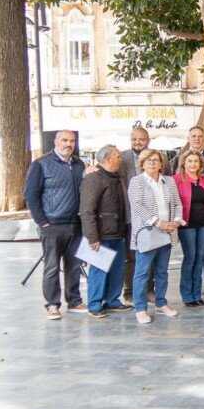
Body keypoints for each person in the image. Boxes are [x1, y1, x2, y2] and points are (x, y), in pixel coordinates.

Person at [24, 130, 87, 320]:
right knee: (51, 266)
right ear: (56, 142)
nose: (69, 144)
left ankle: (74, 301)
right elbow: (30, 195)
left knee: (74, 265)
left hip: (75, 224)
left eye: (72, 141)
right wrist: (42, 221)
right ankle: (52, 304)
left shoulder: (78, 164)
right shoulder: (40, 164)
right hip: (52, 225)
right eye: (65, 140)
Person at [128, 149, 184, 324]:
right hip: (147, 232)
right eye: (148, 160)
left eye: (156, 160)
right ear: (142, 164)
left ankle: (161, 302)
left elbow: (177, 203)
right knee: (142, 273)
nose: (152, 163)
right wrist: (159, 223)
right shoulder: (137, 182)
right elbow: (137, 206)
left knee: (162, 271)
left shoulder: (168, 181)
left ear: (161, 163)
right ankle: (140, 308)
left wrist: (175, 220)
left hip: (167, 232)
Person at [79, 145, 129, 318]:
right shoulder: (94, 178)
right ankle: (95, 305)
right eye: (117, 156)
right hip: (101, 234)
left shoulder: (115, 177)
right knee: (99, 270)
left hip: (116, 231)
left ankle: (112, 300)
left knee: (117, 269)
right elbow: (86, 210)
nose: (120, 159)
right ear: (108, 159)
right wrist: (92, 237)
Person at [173, 149, 204, 306]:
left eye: (196, 161)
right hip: (186, 225)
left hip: (203, 224)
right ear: (183, 162)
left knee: (200, 258)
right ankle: (187, 295)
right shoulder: (176, 180)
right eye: (190, 161)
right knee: (190, 258)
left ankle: (197, 293)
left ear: (200, 164)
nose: (193, 164)